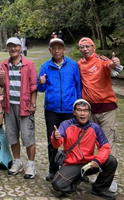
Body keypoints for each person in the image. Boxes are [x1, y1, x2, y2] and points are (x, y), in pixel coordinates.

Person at [78, 37, 121, 192]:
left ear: (93, 47)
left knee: (108, 144)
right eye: (81, 47)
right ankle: (91, 172)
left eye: (87, 46)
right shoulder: (80, 64)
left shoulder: (100, 59)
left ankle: (111, 178)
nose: (84, 49)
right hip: (89, 110)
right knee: (89, 143)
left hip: (107, 107)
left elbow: (110, 65)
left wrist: (114, 63)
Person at [51, 99, 117, 200]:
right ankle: (75, 179)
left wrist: (98, 160)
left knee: (111, 161)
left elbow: (105, 147)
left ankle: (99, 188)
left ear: (89, 113)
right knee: (58, 185)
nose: (82, 113)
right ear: (74, 112)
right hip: (72, 163)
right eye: (79, 110)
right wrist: (55, 137)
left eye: (85, 110)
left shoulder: (95, 128)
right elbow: (57, 144)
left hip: (89, 163)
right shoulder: (66, 125)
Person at [37, 38, 82, 181]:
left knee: (72, 140)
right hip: (52, 110)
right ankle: (53, 169)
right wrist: (41, 83)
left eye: (59, 48)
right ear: (50, 50)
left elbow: (78, 85)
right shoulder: (45, 66)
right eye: (53, 48)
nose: (56, 50)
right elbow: (41, 89)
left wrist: (79, 105)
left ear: (64, 50)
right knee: (53, 140)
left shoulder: (73, 65)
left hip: (70, 109)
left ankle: (73, 169)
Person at [0, 37, 37, 179]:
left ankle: (31, 165)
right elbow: (1, 85)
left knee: (28, 136)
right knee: (12, 136)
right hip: (9, 106)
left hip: (25, 106)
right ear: (7, 49)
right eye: (10, 46)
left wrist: (33, 104)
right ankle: (17, 161)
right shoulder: (4, 65)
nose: (13, 49)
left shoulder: (28, 64)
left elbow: (33, 86)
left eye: (15, 46)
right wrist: (1, 77)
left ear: (20, 48)